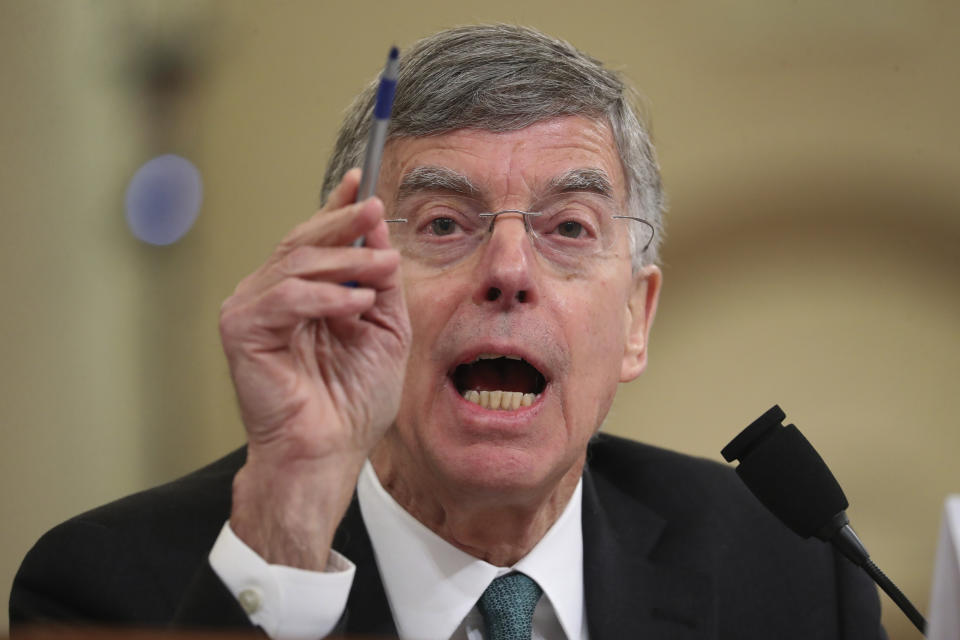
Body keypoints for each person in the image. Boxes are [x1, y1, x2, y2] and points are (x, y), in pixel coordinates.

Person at [11, 24, 886, 639]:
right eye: (441, 224)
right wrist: (284, 534)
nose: (508, 270)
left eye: (569, 228)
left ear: (635, 320)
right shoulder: (106, 587)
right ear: (343, 286)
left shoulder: (792, 573)